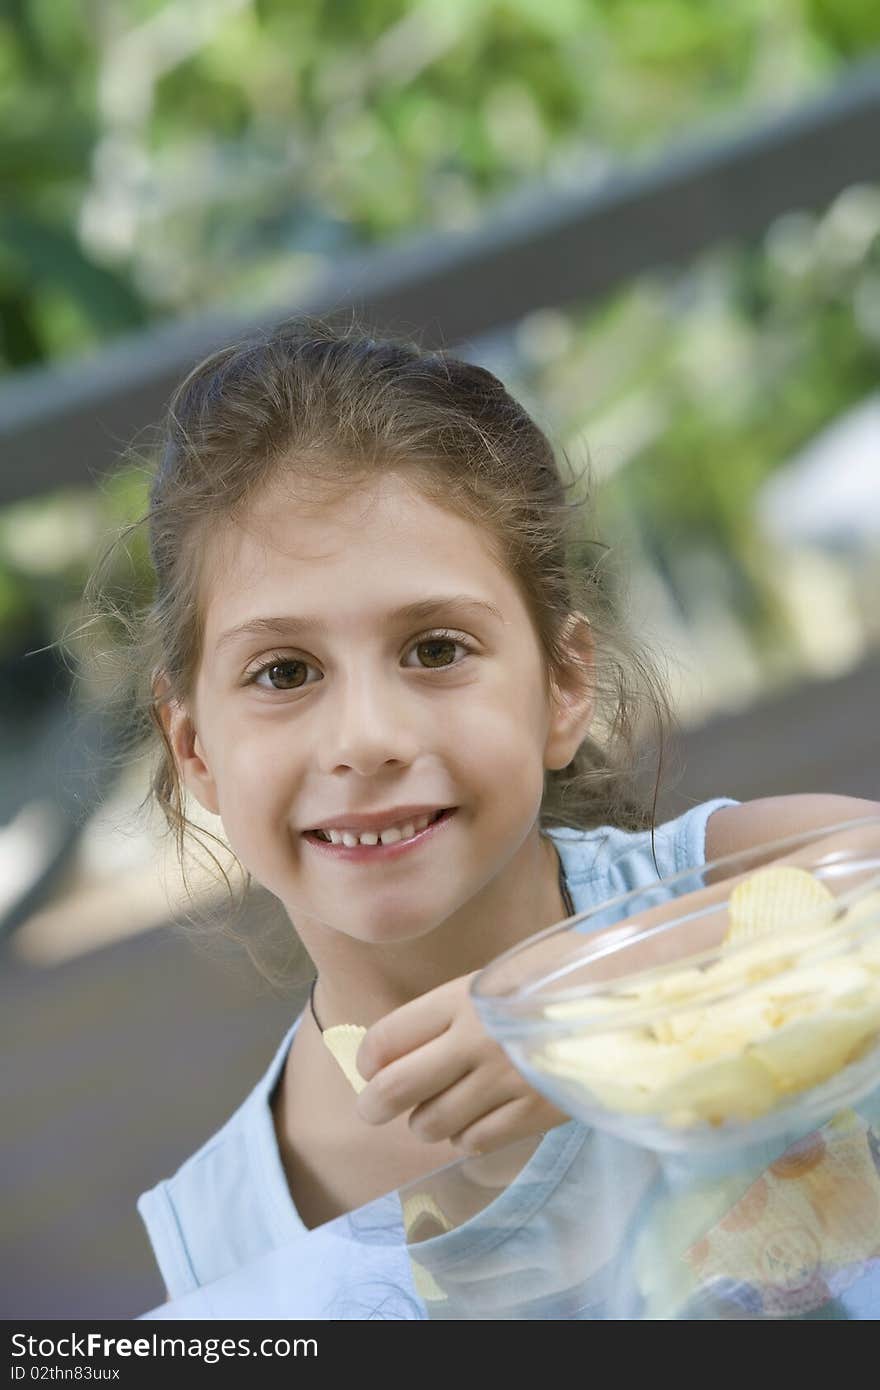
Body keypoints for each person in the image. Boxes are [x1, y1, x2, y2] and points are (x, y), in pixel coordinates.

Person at [87, 316, 878, 1316]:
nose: (365, 736)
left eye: (434, 648)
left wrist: (601, 1022)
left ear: (560, 684)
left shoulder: (737, 879)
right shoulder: (225, 1244)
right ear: (194, 747)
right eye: (283, 672)